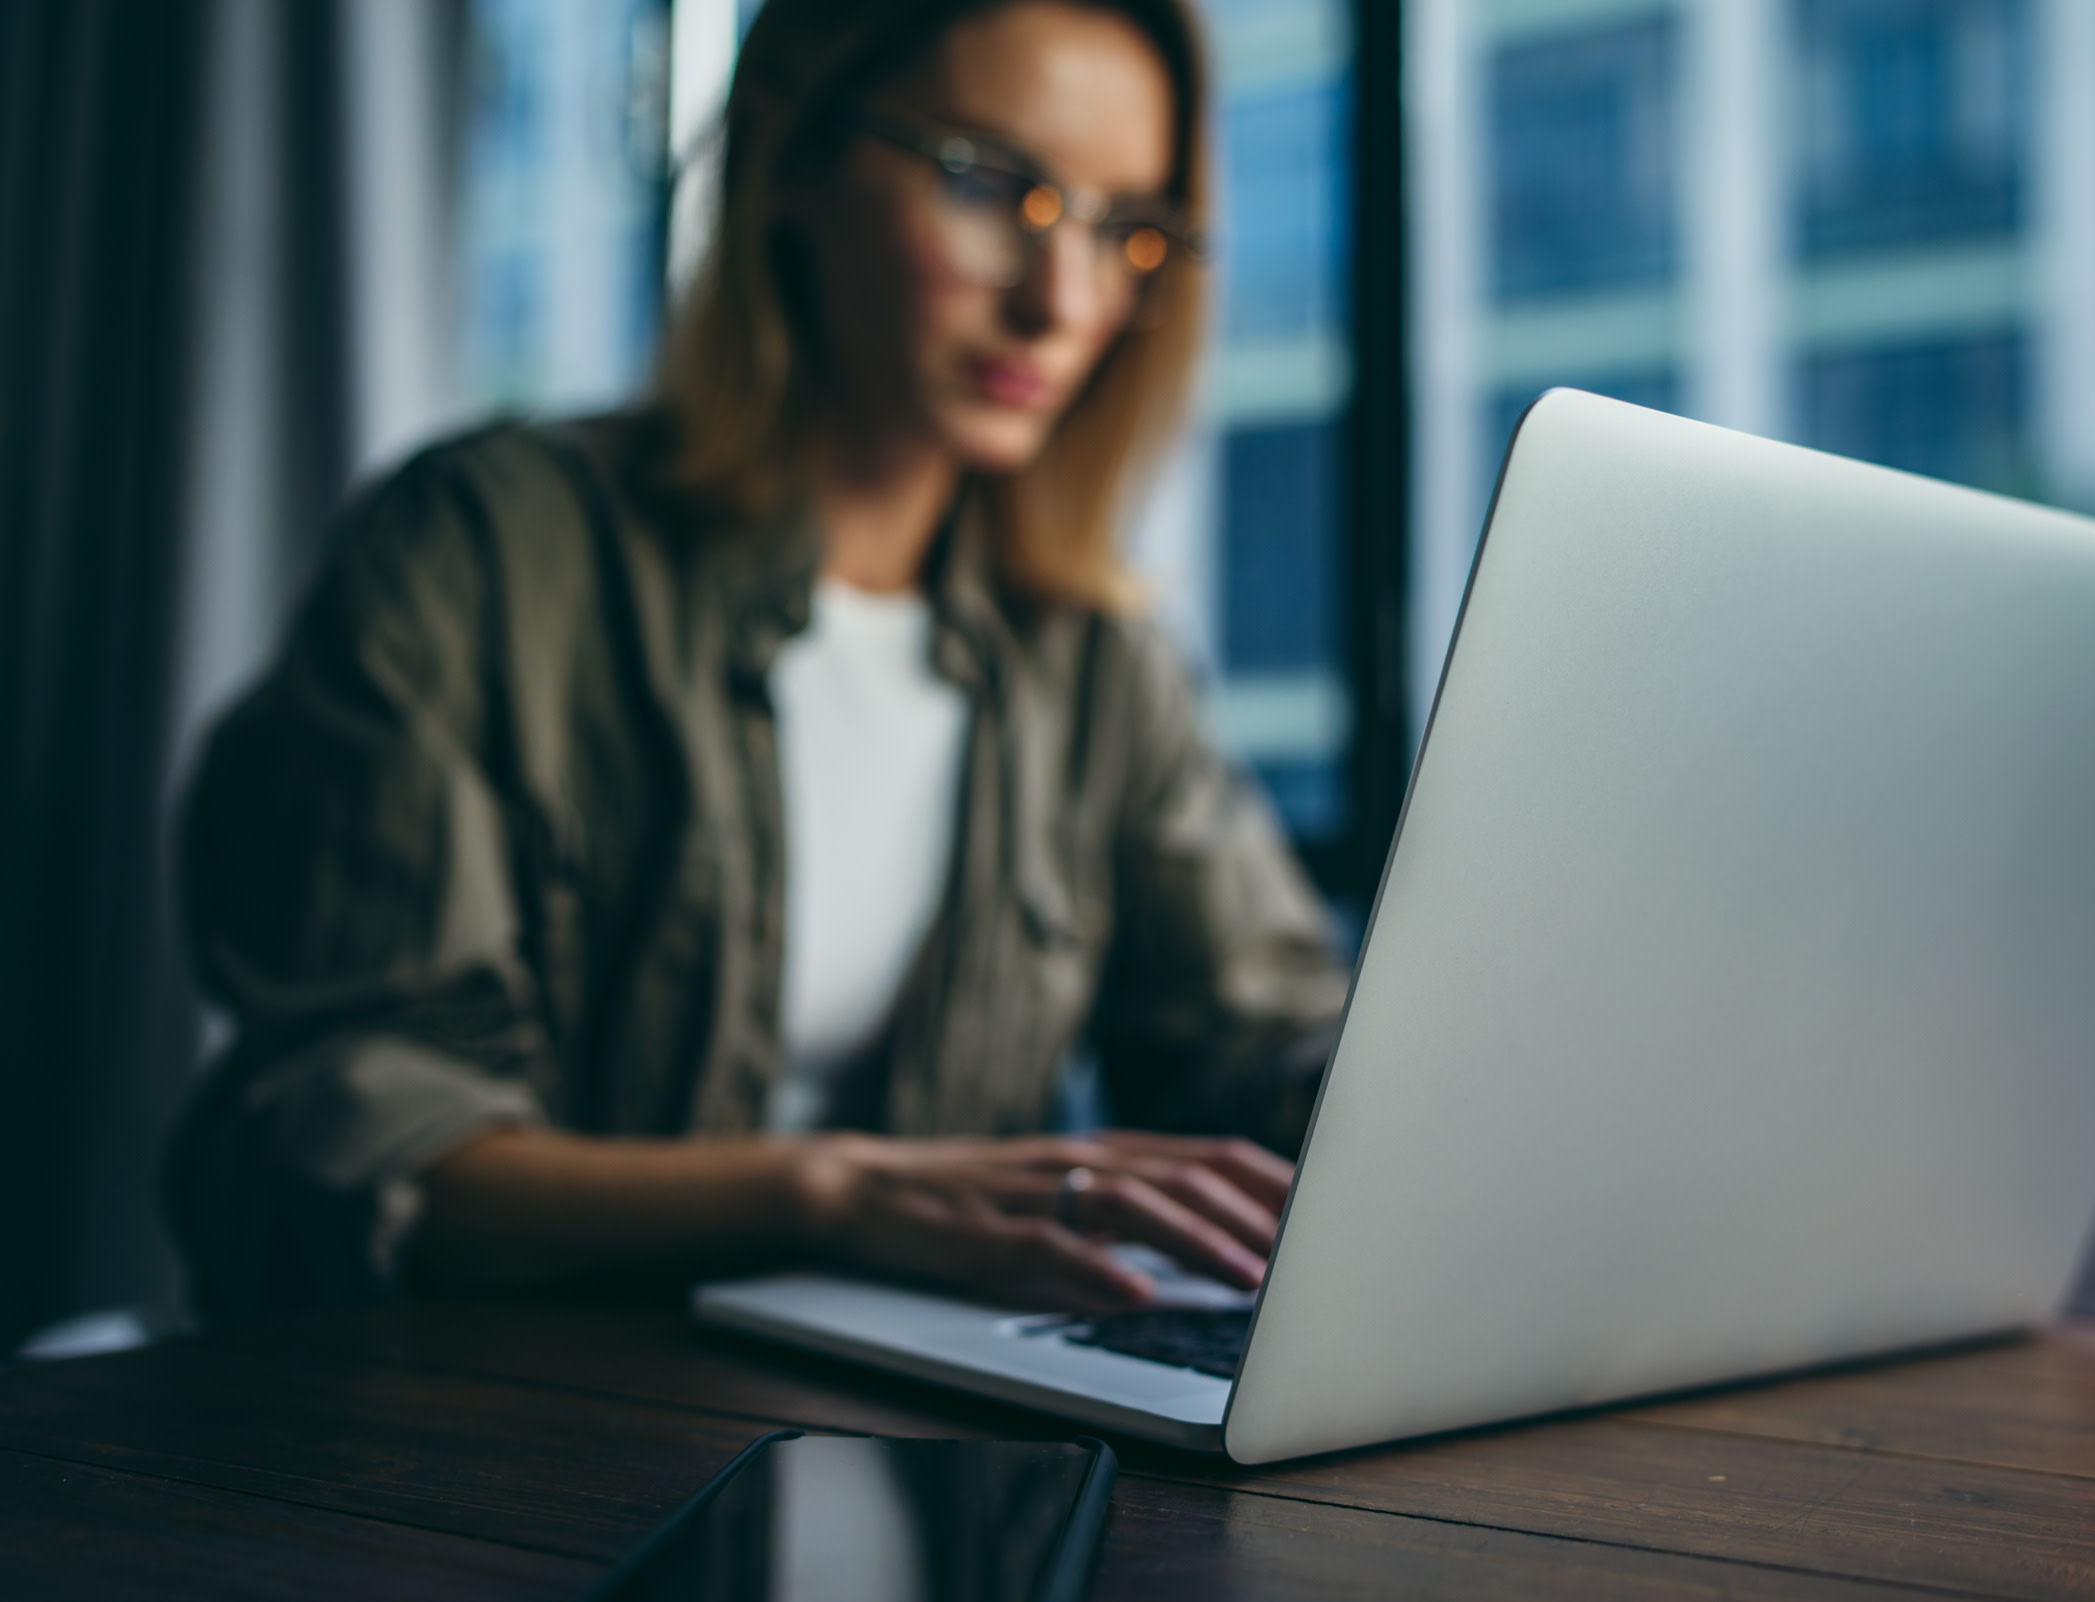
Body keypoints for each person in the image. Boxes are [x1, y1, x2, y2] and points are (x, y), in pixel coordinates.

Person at [169, 0, 1349, 1323]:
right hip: (497, 1426)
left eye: (1125, 227)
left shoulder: (1097, 663)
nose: (1060, 302)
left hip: (914, 1435)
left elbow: (1263, 1048)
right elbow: (346, 1139)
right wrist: (827, 1195)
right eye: (991, 183)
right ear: (792, 153)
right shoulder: (487, 546)